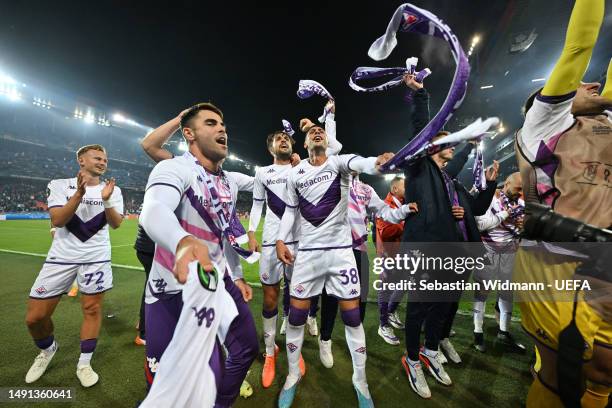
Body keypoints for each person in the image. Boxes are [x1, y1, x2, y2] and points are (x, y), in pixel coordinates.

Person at [514, 0, 612, 405]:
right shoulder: (545, 121)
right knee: (565, 373)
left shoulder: (606, 123)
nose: (590, 85)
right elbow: (577, 49)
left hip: (605, 259)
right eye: (580, 86)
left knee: (605, 371)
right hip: (556, 259)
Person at [140, 103, 258, 407]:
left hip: (218, 283)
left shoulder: (229, 181)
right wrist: (181, 240)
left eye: (223, 124)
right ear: (189, 134)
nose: (222, 129)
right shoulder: (174, 168)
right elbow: (154, 210)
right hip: (171, 291)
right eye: (211, 123)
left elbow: (224, 234)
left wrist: (237, 276)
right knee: (169, 384)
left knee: (245, 348)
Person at [275, 115, 394, 407]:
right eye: (312, 132)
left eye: (321, 131)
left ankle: (360, 380)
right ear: (304, 143)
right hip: (308, 255)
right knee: (297, 316)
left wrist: (375, 162)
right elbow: (291, 212)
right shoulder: (295, 173)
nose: (317, 133)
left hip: (341, 254)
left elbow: (362, 162)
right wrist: (280, 238)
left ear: (328, 142)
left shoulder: (339, 163)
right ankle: (292, 374)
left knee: (352, 318)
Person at [25, 144, 124, 387]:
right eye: (97, 158)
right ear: (81, 160)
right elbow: (58, 220)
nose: (103, 162)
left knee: (91, 309)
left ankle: (85, 363)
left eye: (105, 159)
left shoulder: (113, 189)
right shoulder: (59, 184)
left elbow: (117, 224)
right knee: (35, 318)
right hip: (61, 257)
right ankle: (48, 350)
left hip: (96, 257)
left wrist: (107, 201)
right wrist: (79, 194)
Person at [318, 174, 417, 367]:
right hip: (333, 248)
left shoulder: (366, 189)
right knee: (330, 297)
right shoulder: (329, 182)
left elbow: (384, 212)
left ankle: (356, 341)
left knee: (360, 298)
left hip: (358, 249)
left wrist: (405, 209)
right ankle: (325, 338)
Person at [472, 172, 526, 353]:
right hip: (488, 250)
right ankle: (478, 332)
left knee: (506, 292)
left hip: (509, 251)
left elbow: (522, 230)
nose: (520, 193)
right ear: (507, 183)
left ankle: (504, 331)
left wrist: (522, 226)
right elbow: (480, 225)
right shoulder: (491, 199)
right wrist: (505, 214)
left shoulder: (521, 203)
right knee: (482, 292)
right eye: (518, 188)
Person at [376, 176, 408, 345]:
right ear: (395, 189)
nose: (408, 188)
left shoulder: (402, 203)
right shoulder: (385, 205)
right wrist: (406, 222)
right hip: (389, 254)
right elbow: (387, 231)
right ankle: (383, 325)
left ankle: (391, 310)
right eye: (405, 185)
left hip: (402, 253)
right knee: (386, 287)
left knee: (405, 283)